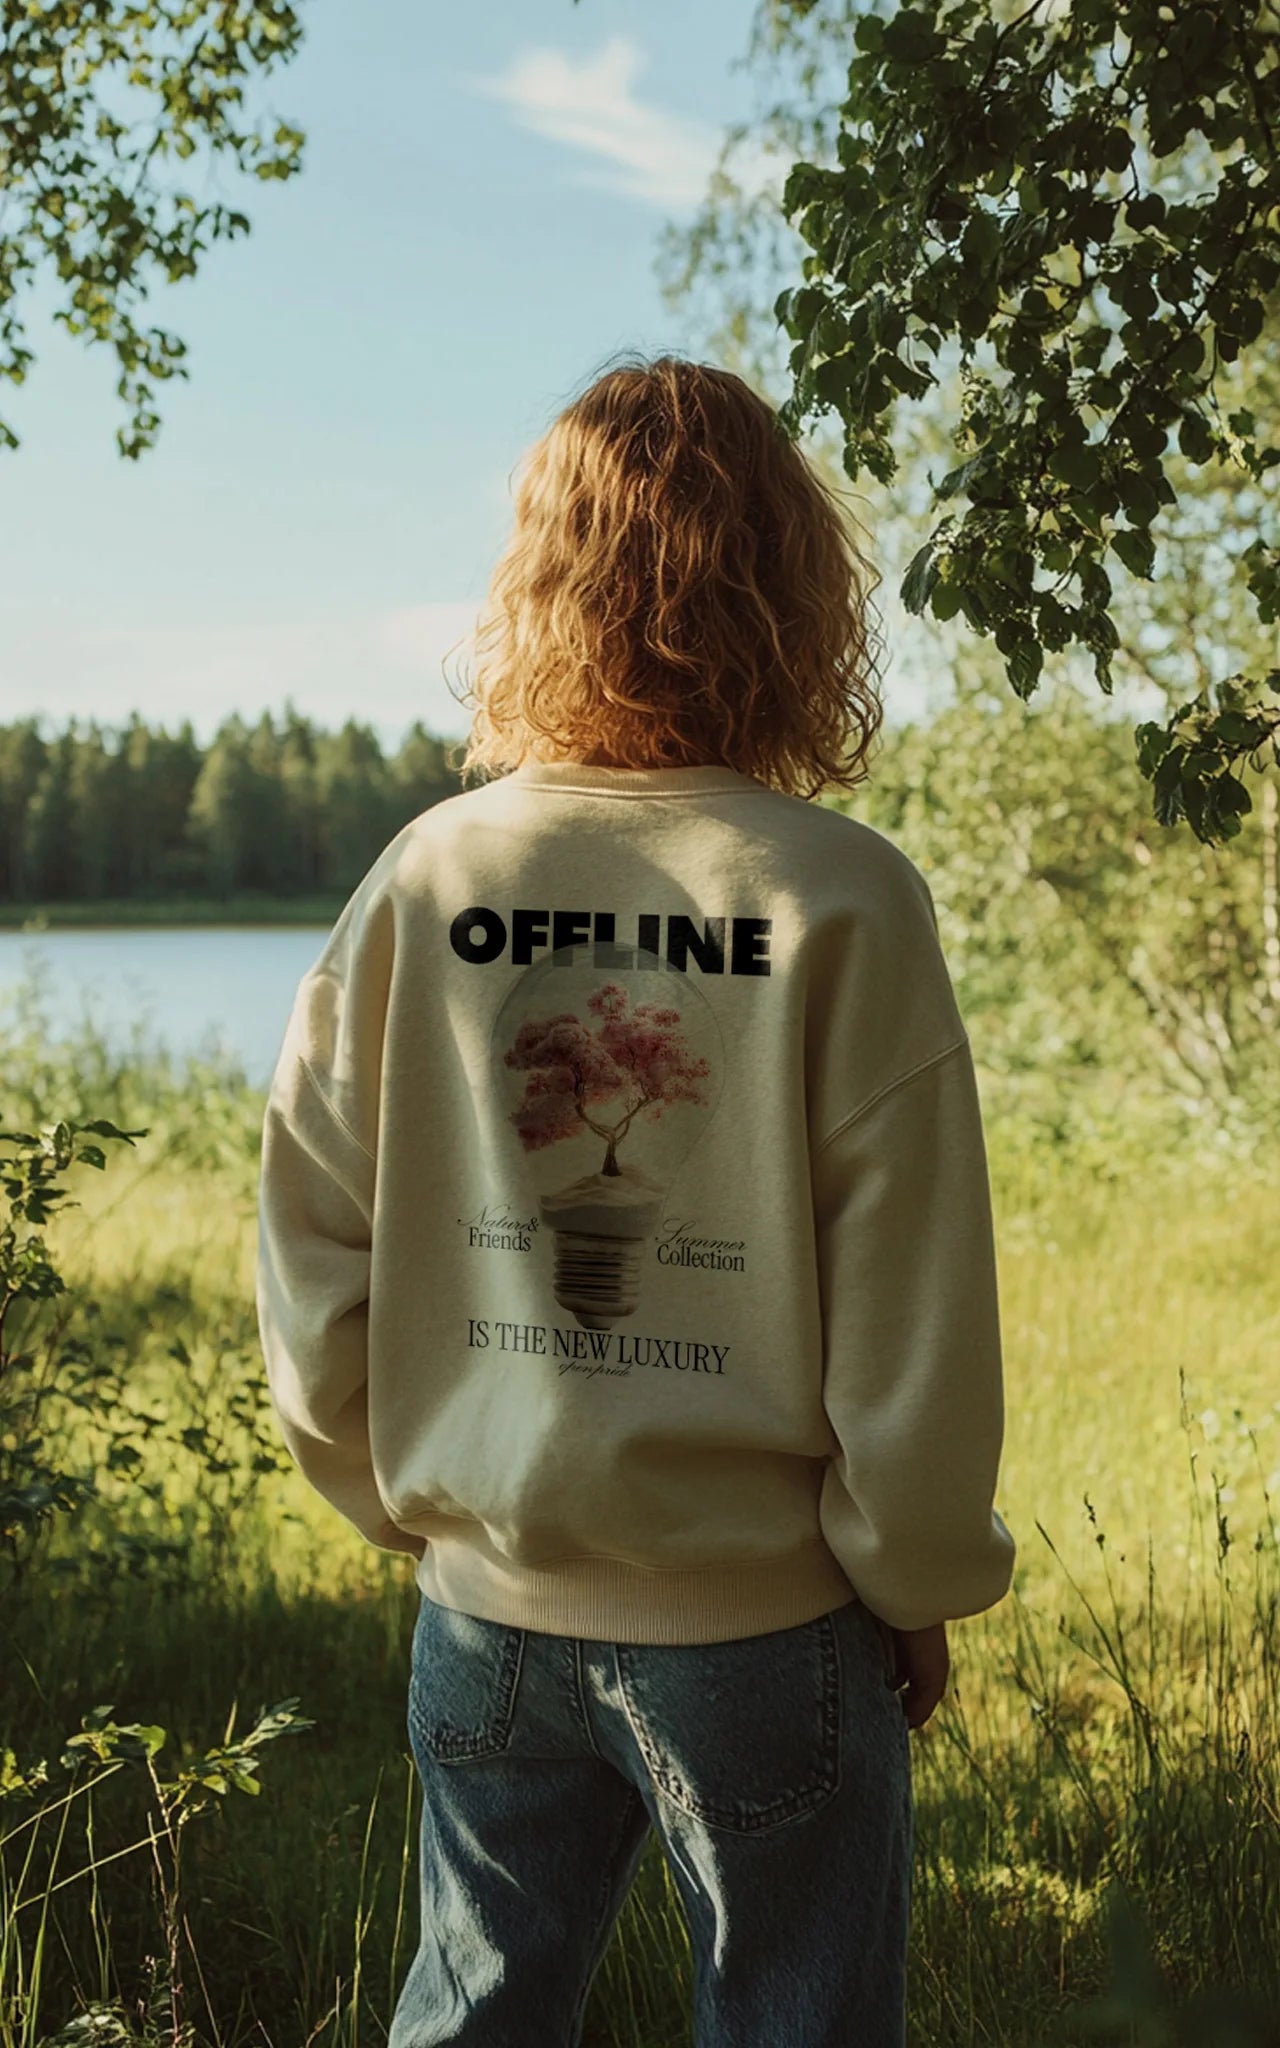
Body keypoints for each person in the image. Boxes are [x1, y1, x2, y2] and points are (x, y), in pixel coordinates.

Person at [255, 350, 1016, 2048]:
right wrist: (913, 1579)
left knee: (469, 2022)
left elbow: (308, 1232)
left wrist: (401, 1496)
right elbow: (912, 1300)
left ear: (542, 586)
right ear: (794, 592)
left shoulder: (432, 876)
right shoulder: (837, 893)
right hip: (765, 1628)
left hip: (485, 1610)